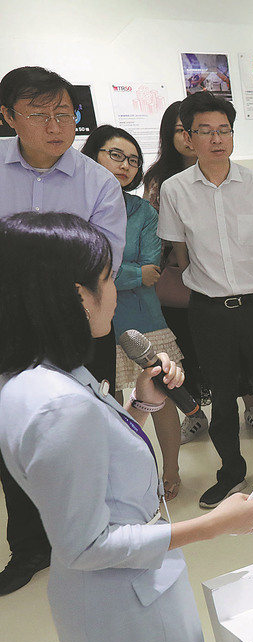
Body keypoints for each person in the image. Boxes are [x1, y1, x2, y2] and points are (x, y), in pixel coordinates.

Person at [0, 211, 253, 642]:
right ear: (75, 295)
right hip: (120, 607)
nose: (115, 293)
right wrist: (213, 526)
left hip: (121, 598)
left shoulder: (40, 379)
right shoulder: (56, 404)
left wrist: (141, 406)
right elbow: (85, 543)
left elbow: (90, 468)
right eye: (106, 279)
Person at [0, 65, 126, 596]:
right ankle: (30, 546)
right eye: (40, 114)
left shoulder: (96, 181)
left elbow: (104, 263)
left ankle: (97, 533)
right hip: (8, 333)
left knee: (90, 432)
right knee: (17, 443)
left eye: (65, 114)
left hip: (79, 332)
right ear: (8, 118)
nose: (57, 126)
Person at [157, 91, 253, 507]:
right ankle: (230, 472)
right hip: (209, 311)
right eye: (205, 131)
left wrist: (246, 279)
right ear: (189, 138)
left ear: (232, 134)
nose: (216, 139)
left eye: (223, 130)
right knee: (222, 396)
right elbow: (180, 252)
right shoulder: (175, 190)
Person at [144, 102, 253, 446]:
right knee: (193, 355)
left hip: (234, 288)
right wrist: (188, 267)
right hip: (182, 286)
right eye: (189, 130)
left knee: (242, 352)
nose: (204, 137)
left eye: (219, 129)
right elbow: (165, 239)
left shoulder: (245, 181)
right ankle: (196, 415)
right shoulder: (163, 182)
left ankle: (251, 406)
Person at [81, 125, 185, 502]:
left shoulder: (142, 210)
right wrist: (126, 273)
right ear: (92, 155)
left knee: (160, 398)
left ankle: (170, 469)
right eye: (115, 155)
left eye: (133, 159)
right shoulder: (73, 204)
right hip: (89, 320)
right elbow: (80, 266)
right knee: (102, 403)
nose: (125, 165)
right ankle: (118, 479)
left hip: (142, 317)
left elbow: (150, 270)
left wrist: (107, 273)